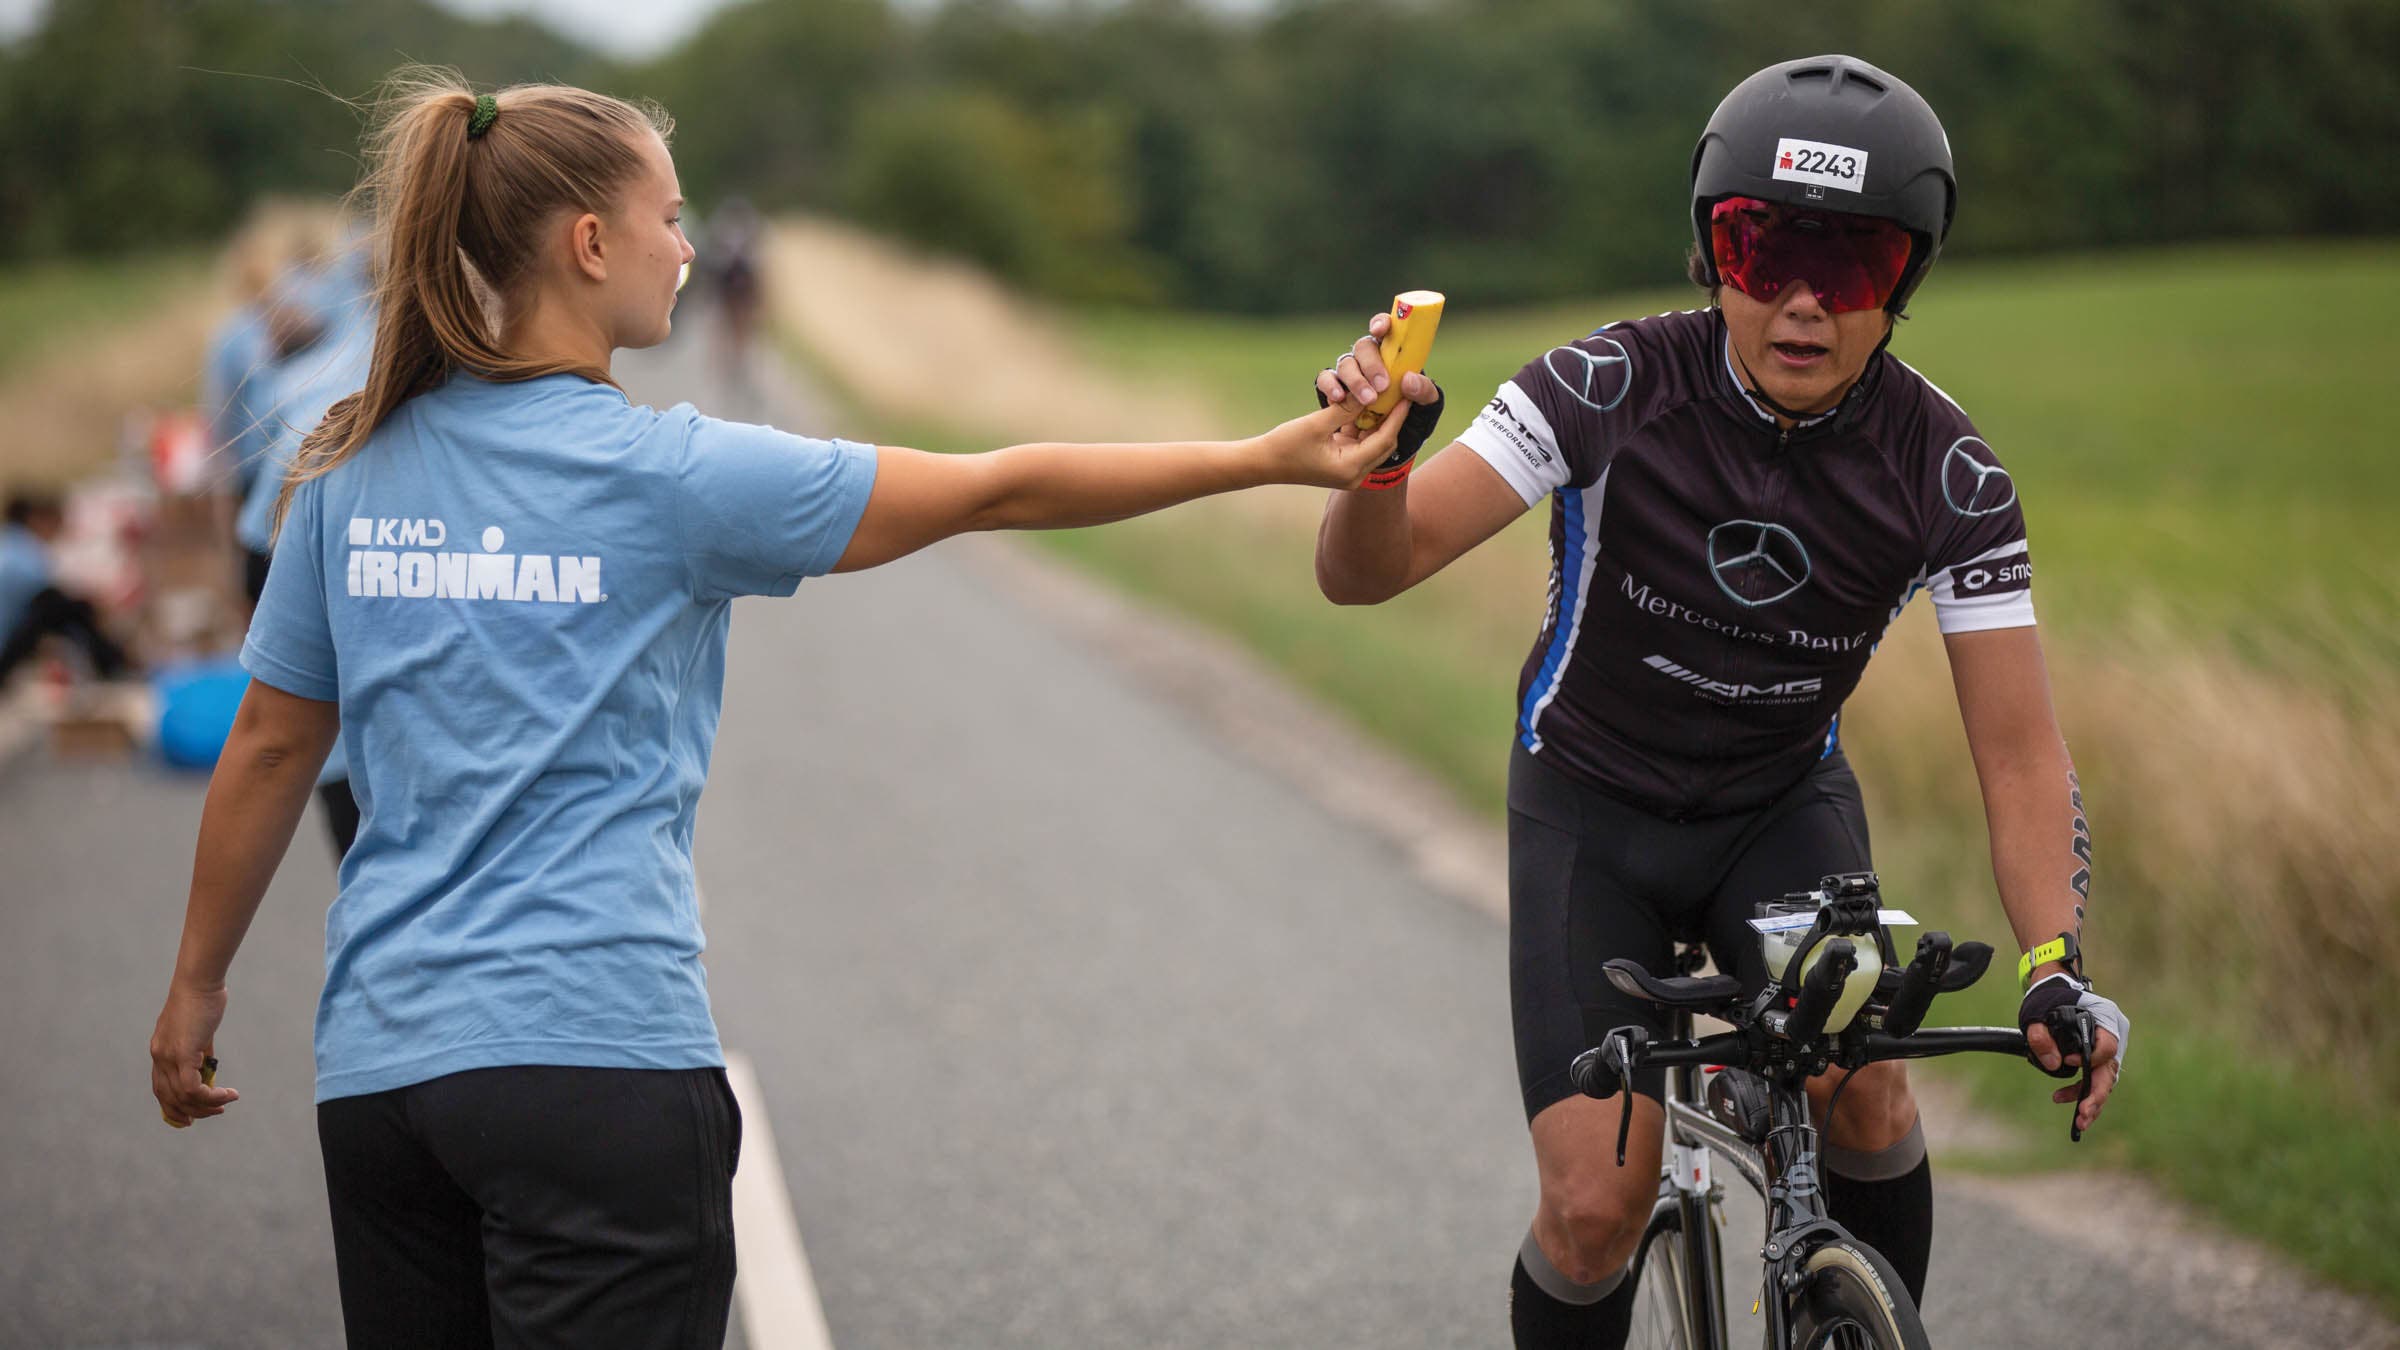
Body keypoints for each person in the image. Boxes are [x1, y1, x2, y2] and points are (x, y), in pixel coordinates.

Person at [146, 69, 1427, 1349]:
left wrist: (197, 985)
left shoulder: (344, 467)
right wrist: (1266, 458)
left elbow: (270, 745)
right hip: (596, 1065)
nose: (689, 247)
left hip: (379, 1083)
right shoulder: (673, 474)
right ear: (590, 245)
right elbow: (993, 489)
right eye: (670, 214)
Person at [1311, 55, 2129, 1347]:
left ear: (1904, 279)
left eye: (1851, 264)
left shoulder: (1951, 473)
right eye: (1763, 250)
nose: (1803, 301)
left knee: (1870, 1099)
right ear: (1712, 254)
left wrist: (2054, 965)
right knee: (1595, 1210)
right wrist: (1373, 478)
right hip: (1593, 807)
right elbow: (1368, 579)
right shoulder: (1604, 387)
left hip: (1774, 812)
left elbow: (2020, 754)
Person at [0, 490, 132, 688]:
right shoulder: (22, 553)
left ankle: (110, 665)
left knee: (64, 608)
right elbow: (52, 597)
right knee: (66, 609)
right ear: (36, 518)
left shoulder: (11, 545)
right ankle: (113, 666)